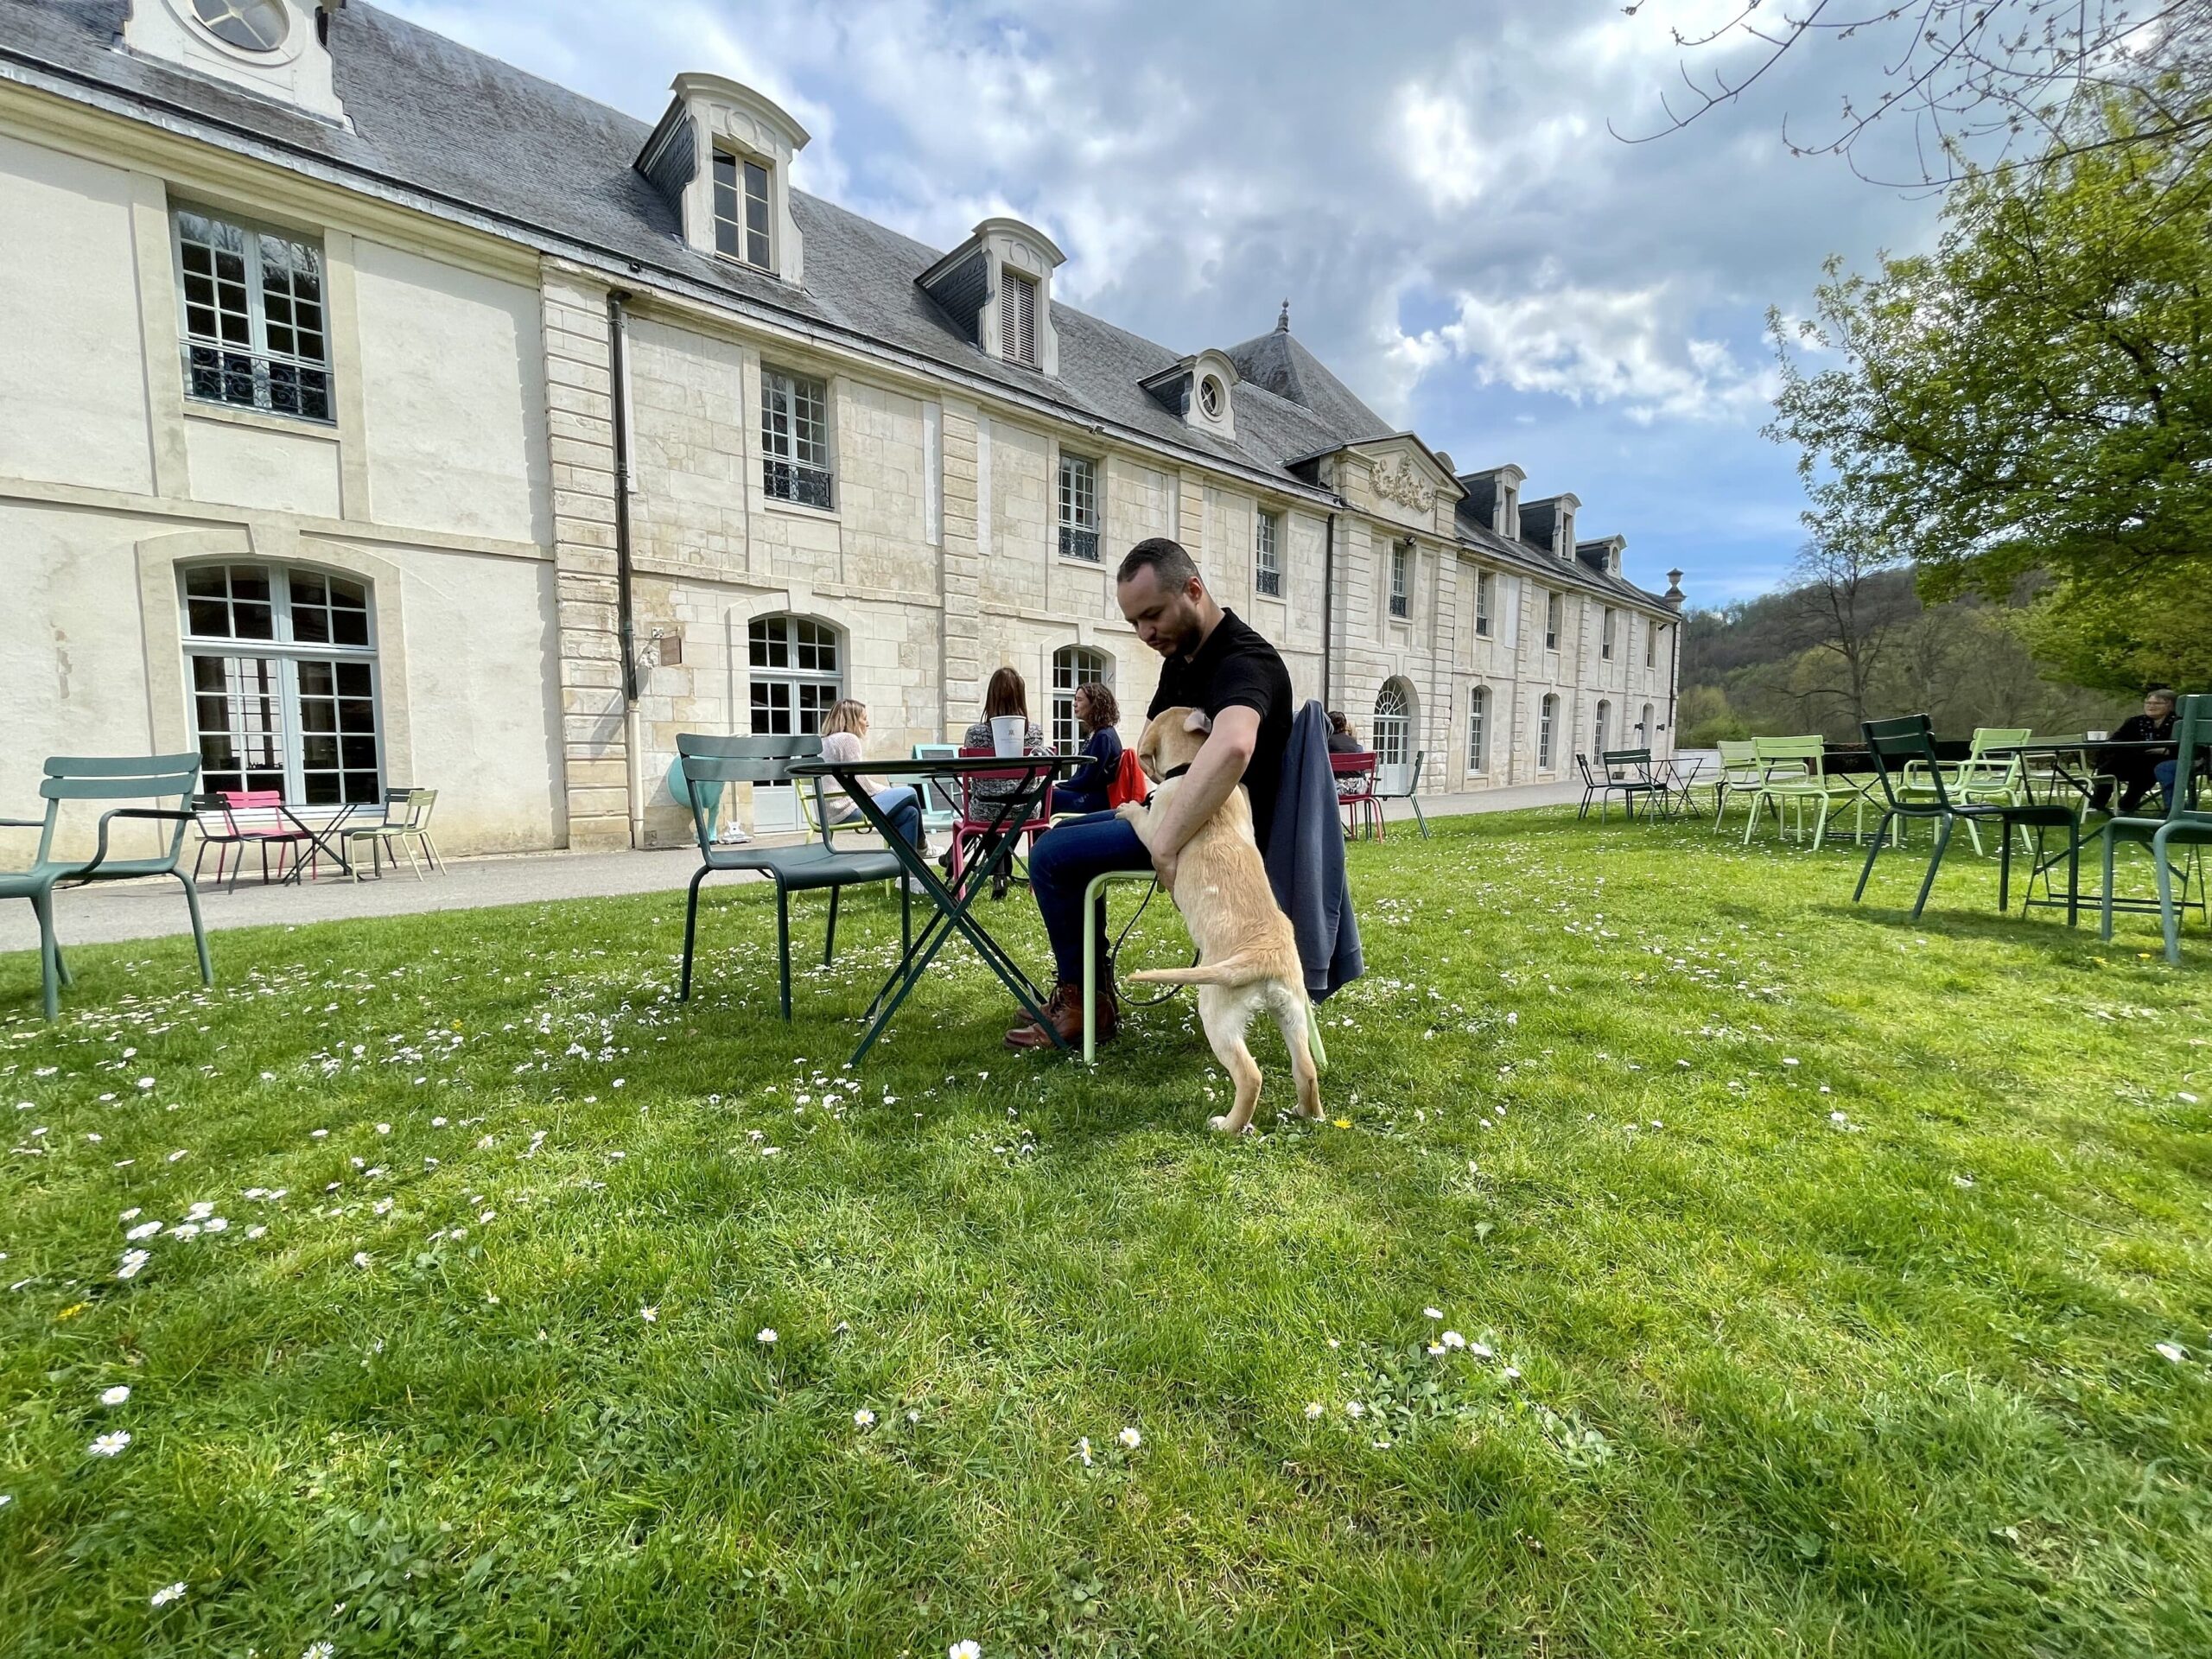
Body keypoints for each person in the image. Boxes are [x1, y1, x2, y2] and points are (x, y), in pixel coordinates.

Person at [1007, 537, 1292, 1052]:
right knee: (1060, 833)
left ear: (1193, 589)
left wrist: (1164, 841)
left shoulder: (1245, 660)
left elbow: (1233, 748)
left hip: (1217, 837)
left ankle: (1086, 1005)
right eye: (1134, 621)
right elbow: (1153, 753)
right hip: (1187, 819)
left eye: (1153, 615)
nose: (1144, 632)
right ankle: (1090, 992)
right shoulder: (1181, 660)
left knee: (1050, 855)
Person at [957, 666, 1052, 899]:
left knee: (987, 806)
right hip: (1027, 811)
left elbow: (973, 783)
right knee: (1004, 807)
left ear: (991, 697)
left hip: (986, 812)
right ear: (1021, 696)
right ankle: (1001, 870)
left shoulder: (976, 734)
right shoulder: (1035, 733)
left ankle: (998, 872)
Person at [816, 699, 925, 851]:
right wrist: (889, 791)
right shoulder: (847, 739)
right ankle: (923, 846)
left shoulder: (824, 741)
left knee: (909, 813)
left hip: (826, 811)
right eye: (864, 718)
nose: (867, 724)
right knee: (909, 792)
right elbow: (860, 783)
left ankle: (907, 872)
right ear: (851, 720)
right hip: (844, 809)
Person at [2092, 689, 2177, 815]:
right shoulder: (2135, 721)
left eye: (2157, 703)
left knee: (2147, 769)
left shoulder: (2178, 722)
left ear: (2170, 705)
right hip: (2133, 758)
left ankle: (2127, 803)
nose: (2151, 706)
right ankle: (2098, 805)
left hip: (2163, 762)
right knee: (2108, 767)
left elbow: (2186, 747)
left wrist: (2166, 750)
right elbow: (2114, 742)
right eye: (2148, 703)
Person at [1049, 681, 1124, 817]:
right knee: (1044, 796)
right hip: (1088, 794)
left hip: (1095, 799)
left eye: (1079, 700)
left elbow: (1089, 780)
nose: (1074, 704)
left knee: (1045, 798)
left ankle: (1041, 838)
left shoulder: (1104, 736)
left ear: (1094, 704)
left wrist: (1060, 786)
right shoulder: (1096, 733)